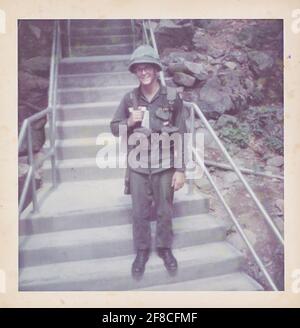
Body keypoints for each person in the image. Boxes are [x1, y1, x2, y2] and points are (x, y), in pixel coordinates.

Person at [110, 45, 186, 280]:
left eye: (147, 68)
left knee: (164, 210)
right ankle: (142, 252)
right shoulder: (129, 98)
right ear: (135, 72)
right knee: (139, 212)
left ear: (156, 69)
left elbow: (182, 134)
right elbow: (114, 129)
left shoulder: (172, 97)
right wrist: (130, 122)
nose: (143, 73)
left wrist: (181, 170)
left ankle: (164, 249)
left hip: (165, 164)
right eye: (139, 69)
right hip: (138, 166)